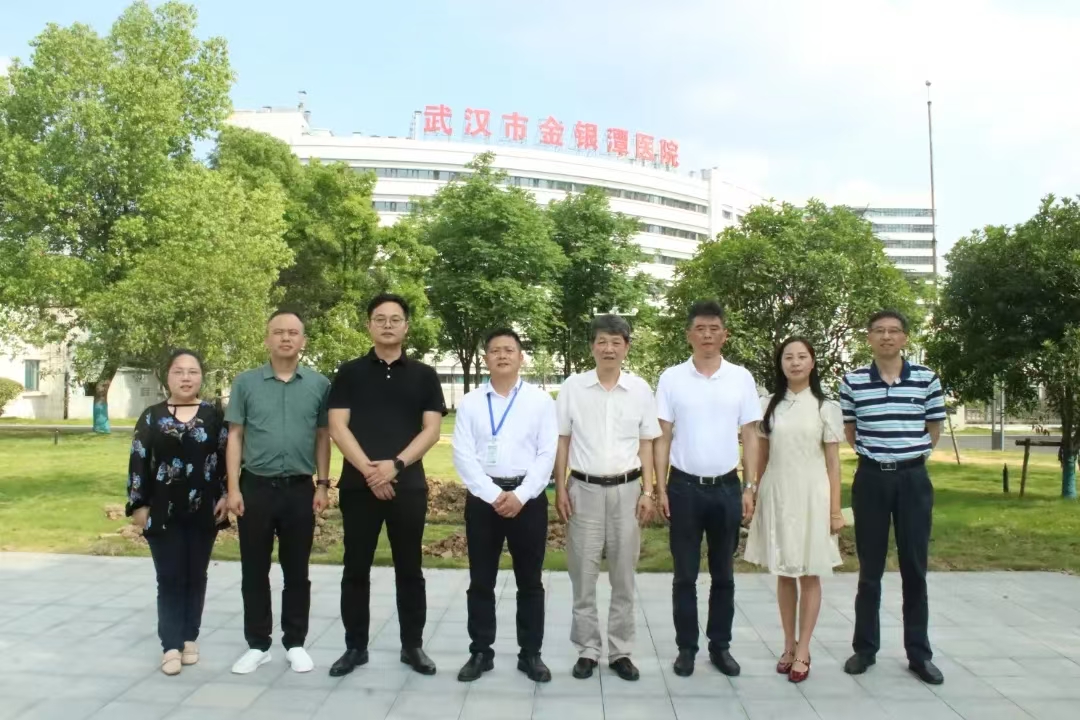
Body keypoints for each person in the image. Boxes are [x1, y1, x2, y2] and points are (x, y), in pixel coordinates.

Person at [327, 293, 446, 677]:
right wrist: (369, 471)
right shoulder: (349, 372)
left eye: (395, 319)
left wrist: (394, 466)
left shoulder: (425, 375)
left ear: (406, 326)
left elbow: (431, 430)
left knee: (409, 569)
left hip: (407, 485)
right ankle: (355, 647)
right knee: (355, 569)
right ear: (369, 325)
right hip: (358, 486)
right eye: (380, 319)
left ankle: (412, 646)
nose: (388, 325)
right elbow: (337, 427)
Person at [654, 300, 760, 678]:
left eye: (714, 329)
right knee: (684, 575)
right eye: (700, 328)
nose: (707, 335)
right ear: (689, 335)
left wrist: (750, 486)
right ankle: (686, 648)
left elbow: (751, 434)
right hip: (683, 487)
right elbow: (662, 436)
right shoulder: (671, 379)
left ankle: (720, 646)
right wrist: (659, 487)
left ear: (724, 334)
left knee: (723, 575)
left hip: (727, 488)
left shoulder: (741, 378)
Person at [840, 310, 946, 685]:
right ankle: (865, 649)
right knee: (869, 569)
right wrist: (879, 456)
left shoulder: (926, 379)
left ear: (905, 338)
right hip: (871, 479)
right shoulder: (852, 381)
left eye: (894, 331)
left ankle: (919, 654)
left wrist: (910, 456)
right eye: (879, 331)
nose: (886, 336)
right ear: (869, 337)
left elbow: (933, 427)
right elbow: (851, 431)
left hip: (913, 479)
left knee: (914, 568)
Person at [225, 310, 331, 675]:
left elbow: (323, 436)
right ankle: (258, 645)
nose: (286, 338)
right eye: (279, 332)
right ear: (267, 338)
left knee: (297, 571)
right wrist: (233, 487)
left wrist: (322, 484)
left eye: (293, 333)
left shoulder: (319, 384)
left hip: (300, 490)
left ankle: (295, 642)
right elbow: (235, 436)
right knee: (254, 570)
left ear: (303, 340)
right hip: (255, 487)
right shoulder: (246, 383)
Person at [554, 314, 660, 682]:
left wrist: (649, 491)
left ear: (627, 347)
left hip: (628, 492)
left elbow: (647, 443)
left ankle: (620, 651)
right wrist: (560, 487)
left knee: (623, 577)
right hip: (582, 490)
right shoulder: (573, 387)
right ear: (592, 347)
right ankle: (587, 650)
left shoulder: (640, 390)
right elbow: (562, 440)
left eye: (616, 342)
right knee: (583, 576)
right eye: (602, 341)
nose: (609, 348)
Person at [451, 328, 557, 683]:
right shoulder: (470, 402)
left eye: (509, 350)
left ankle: (531, 654)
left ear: (520, 357)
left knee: (530, 581)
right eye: (495, 350)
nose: (502, 355)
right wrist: (493, 494)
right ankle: (481, 652)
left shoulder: (540, 402)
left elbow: (547, 453)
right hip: (484, 501)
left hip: (528, 499)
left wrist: (521, 495)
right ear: (486, 359)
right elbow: (463, 455)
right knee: (481, 580)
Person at [743, 337, 845, 683]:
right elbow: (762, 456)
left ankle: (804, 649)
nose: (796, 362)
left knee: (810, 572)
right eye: (789, 357)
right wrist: (754, 491)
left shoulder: (825, 407)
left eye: (802, 356)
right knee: (785, 572)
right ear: (781, 363)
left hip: (813, 495)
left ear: (812, 362)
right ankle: (788, 645)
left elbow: (833, 464)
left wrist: (835, 510)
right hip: (778, 492)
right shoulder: (769, 405)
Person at [127, 349, 229, 676]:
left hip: (204, 510)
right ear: (167, 376)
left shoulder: (214, 416)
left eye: (192, 372)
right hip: (162, 510)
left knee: (196, 576)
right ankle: (170, 644)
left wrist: (227, 495)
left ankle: (189, 637)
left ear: (201, 377)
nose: (186, 378)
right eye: (178, 371)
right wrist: (138, 504)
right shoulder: (151, 417)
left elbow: (228, 458)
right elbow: (138, 460)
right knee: (169, 577)